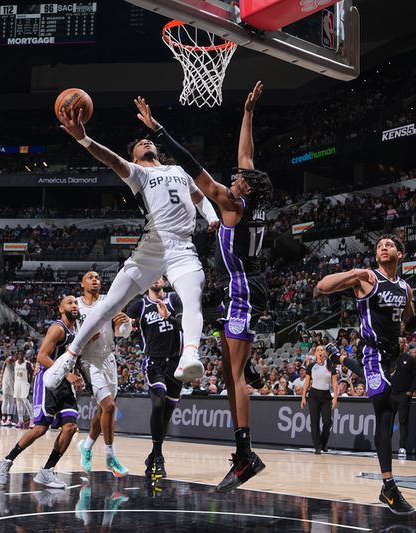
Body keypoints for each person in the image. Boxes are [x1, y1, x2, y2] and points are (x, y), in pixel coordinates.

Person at [133, 83, 273, 492]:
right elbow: (246, 157)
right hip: (244, 286)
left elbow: (194, 167)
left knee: (233, 376)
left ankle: (245, 456)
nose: (234, 177)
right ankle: (251, 374)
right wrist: (247, 114)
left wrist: (158, 132)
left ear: (244, 189)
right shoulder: (254, 197)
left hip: (244, 288)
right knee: (226, 361)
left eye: (239, 179)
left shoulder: (231, 203)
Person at [53, 101, 220, 391]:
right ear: (135, 156)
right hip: (152, 246)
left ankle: (190, 354)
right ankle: (68, 357)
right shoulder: (137, 174)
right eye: (139, 143)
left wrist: (211, 215)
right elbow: (112, 160)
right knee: (108, 306)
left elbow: (199, 196)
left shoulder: (179, 171)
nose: (145, 141)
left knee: (193, 298)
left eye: (148, 140)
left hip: (183, 246)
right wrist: (82, 137)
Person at [316, 234, 416, 515]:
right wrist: (353, 273)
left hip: (392, 355)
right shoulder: (366, 278)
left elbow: (408, 326)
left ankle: (338, 358)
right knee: (385, 409)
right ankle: (388, 486)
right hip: (371, 353)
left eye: (389, 245)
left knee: (387, 410)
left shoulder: (405, 287)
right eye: (379, 246)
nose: (383, 248)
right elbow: (322, 286)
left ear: (400, 254)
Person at [0, 296, 84, 489]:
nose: (74, 305)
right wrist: (68, 375)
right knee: (40, 429)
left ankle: (46, 471)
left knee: (70, 427)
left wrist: (77, 376)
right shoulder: (57, 329)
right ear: (61, 308)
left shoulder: (77, 330)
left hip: (65, 383)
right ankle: (7, 461)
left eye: (76, 302)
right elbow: (42, 356)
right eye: (69, 303)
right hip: (48, 381)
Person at [126, 277, 184, 480]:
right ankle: (159, 457)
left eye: (159, 275)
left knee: (166, 414)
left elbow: (184, 325)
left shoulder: (175, 299)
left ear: (165, 281)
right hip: (154, 362)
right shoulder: (139, 305)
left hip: (177, 362)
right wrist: (124, 325)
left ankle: (153, 454)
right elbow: (121, 323)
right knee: (158, 404)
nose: (155, 279)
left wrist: (168, 316)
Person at [76, 271, 133, 477]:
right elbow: (69, 331)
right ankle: (110, 456)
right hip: (88, 360)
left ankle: (87, 446)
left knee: (103, 410)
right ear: (82, 283)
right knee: (109, 406)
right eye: (90, 277)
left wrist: (125, 323)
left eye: (98, 278)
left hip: (109, 359)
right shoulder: (76, 305)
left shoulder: (109, 302)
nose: (95, 280)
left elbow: (122, 333)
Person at [300, 345, 339, 454]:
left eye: (322, 350)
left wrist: (335, 398)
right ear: (315, 353)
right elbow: (307, 382)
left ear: (325, 352)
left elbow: (335, 383)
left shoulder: (330, 365)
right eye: (318, 350)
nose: (320, 352)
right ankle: (317, 446)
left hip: (326, 396)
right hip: (313, 395)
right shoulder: (311, 366)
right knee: (314, 421)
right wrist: (303, 397)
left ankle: (323, 443)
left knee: (327, 422)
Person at [12, 352, 34, 429]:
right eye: (19, 354)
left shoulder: (27, 364)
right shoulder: (15, 363)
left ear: (24, 355)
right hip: (17, 383)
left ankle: (32, 419)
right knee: (18, 402)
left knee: (25, 400)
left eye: (22, 354)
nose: (20, 355)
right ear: (17, 355)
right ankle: (20, 420)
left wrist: (30, 383)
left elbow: (31, 373)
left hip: (24, 383)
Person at [0, 355, 16, 426]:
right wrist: (10, 357)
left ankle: (9, 419)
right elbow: (7, 361)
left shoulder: (16, 365)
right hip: (6, 383)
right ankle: (3, 419)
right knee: (5, 401)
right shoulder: (7, 363)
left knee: (11, 402)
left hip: (13, 384)